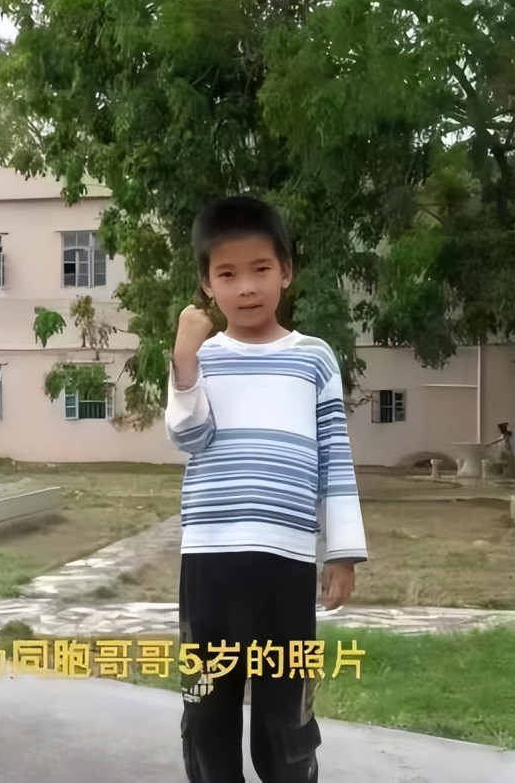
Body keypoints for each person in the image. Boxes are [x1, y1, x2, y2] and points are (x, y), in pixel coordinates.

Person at [165, 196, 368, 783]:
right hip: (208, 562)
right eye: (227, 274)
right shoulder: (202, 357)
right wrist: (184, 360)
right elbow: (189, 437)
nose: (247, 287)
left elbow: (335, 456)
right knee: (207, 707)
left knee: (286, 715)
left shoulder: (313, 359)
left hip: (285, 563)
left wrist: (342, 554)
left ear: (286, 271)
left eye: (260, 269)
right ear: (207, 285)